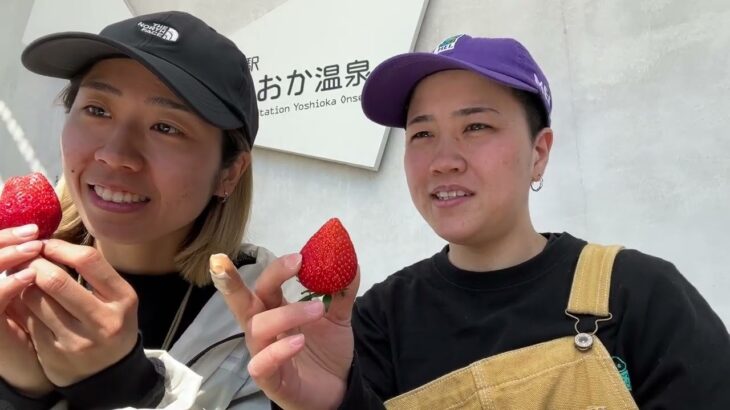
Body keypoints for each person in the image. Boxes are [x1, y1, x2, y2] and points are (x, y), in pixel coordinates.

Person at [215, 34, 730, 409]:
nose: (443, 159)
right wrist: (330, 404)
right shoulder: (375, 322)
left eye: (476, 126)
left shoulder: (640, 294)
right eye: (421, 134)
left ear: (539, 152)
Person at [0, 10, 301, 409]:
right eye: (97, 110)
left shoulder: (271, 336)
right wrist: (18, 390)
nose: (115, 154)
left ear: (229, 172)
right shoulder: (12, 269)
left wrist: (121, 388)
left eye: (166, 128)